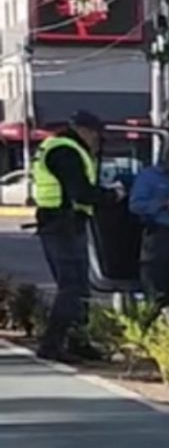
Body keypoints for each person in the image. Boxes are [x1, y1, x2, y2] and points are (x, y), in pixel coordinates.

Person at [31, 110, 124, 362]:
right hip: (62, 224)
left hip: (64, 224)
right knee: (71, 287)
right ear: (85, 130)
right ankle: (52, 344)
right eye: (96, 136)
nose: (97, 141)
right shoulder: (66, 151)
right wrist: (111, 196)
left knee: (79, 287)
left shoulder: (63, 147)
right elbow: (81, 192)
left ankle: (77, 342)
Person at [129, 142, 169, 308]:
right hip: (159, 235)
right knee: (157, 288)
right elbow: (136, 205)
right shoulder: (149, 177)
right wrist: (166, 204)